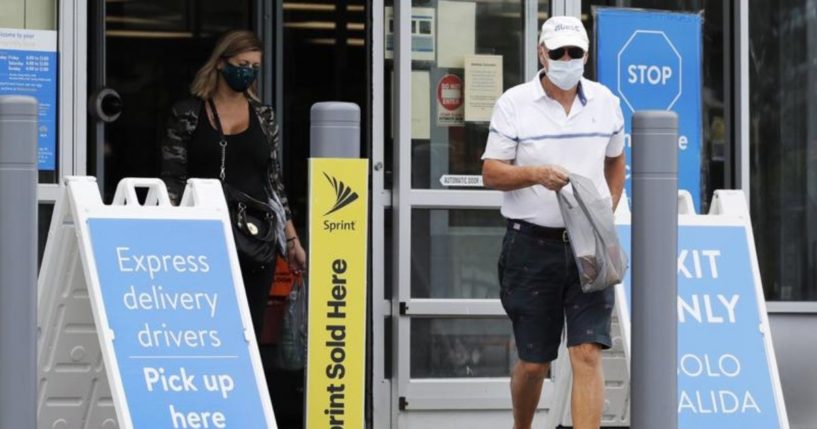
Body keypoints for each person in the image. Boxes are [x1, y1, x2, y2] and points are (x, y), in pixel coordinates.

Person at [481, 16, 626, 429]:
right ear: (541, 53)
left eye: (574, 52)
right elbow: (491, 172)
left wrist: (606, 210)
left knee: (587, 351)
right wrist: (536, 174)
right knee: (534, 362)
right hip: (531, 246)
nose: (566, 59)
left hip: (590, 246)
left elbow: (617, 160)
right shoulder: (514, 103)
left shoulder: (605, 102)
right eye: (558, 52)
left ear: (586, 55)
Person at [160, 30, 307, 335]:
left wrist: (291, 239)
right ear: (221, 63)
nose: (248, 72)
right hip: (201, 236)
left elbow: (273, 180)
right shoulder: (188, 114)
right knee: (204, 323)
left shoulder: (264, 117)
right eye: (242, 63)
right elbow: (173, 178)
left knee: (247, 328)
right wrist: (171, 233)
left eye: (254, 67)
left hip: (255, 235)